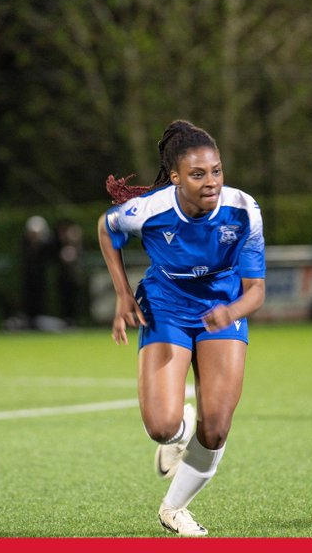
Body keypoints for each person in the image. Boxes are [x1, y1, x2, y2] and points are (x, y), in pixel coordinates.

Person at [99, 119, 265, 537]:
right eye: (197, 174)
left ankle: (174, 508)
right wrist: (121, 294)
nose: (211, 182)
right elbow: (107, 227)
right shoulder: (151, 211)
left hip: (223, 308)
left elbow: (256, 291)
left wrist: (232, 311)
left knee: (217, 426)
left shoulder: (243, 209)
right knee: (161, 427)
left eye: (216, 171)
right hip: (166, 307)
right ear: (175, 177)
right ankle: (179, 430)